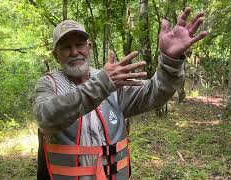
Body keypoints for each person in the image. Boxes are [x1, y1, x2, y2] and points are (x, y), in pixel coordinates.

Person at [33, 7, 207, 180]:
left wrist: (170, 60)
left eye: (79, 45)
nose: (74, 52)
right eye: (65, 47)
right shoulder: (49, 84)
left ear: (89, 47)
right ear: (56, 55)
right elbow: (45, 117)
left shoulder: (112, 80)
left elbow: (155, 93)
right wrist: (102, 84)